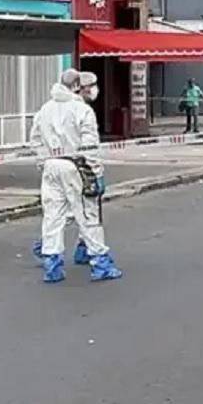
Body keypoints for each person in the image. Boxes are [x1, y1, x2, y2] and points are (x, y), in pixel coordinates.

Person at [29, 69, 122, 283]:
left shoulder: (45, 109)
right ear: (78, 86)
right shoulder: (82, 110)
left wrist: (43, 161)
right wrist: (96, 172)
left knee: (53, 216)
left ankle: (52, 264)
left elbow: (35, 140)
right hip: (76, 166)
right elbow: (89, 146)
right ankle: (100, 262)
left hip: (51, 167)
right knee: (88, 216)